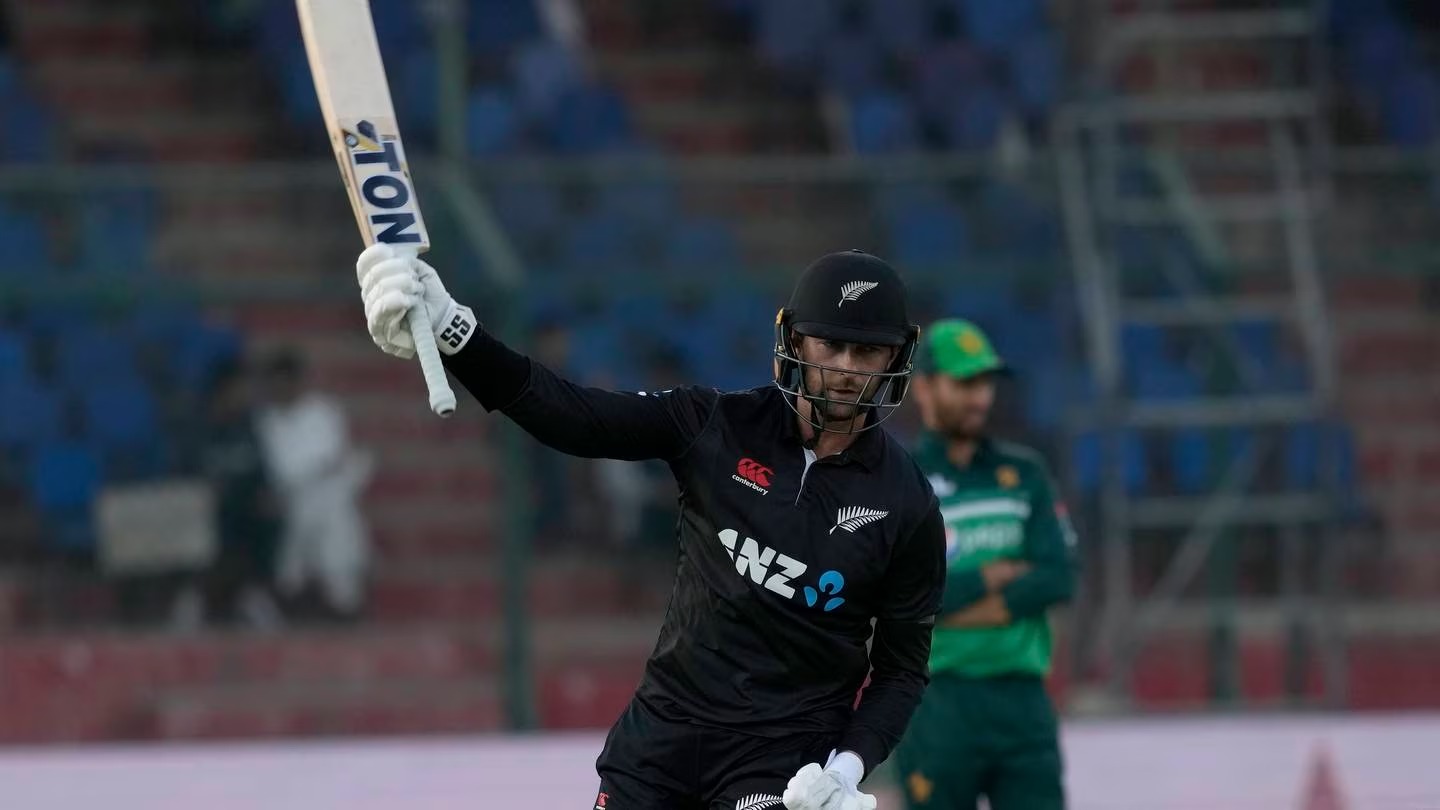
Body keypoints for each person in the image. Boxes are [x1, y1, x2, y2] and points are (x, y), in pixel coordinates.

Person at [356, 245, 946, 810]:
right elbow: (575, 418)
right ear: (793, 340)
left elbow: (901, 671)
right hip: (662, 736)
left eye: (866, 352)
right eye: (831, 345)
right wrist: (457, 334)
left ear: (895, 357)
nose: (845, 369)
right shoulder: (716, 424)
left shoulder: (908, 503)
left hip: (784, 761)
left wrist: (846, 768)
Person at [895, 319, 1077, 810]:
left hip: (1022, 702)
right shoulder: (899, 482)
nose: (980, 398)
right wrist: (992, 576)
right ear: (925, 388)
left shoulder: (1024, 473)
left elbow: (1059, 576)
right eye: (965, 383)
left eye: (986, 383)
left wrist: (956, 604)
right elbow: (897, 598)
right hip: (936, 703)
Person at [255, 349, 373, 622]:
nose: (280, 388)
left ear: (298, 381)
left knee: (337, 522)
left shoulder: (323, 412)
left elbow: (327, 461)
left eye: (286, 381)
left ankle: (345, 604)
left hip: (324, 498)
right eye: (275, 382)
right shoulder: (265, 422)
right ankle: (291, 600)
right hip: (285, 504)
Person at [172, 357, 284, 630]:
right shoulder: (197, 429)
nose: (246, 397)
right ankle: (194, 597)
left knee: (269, 518)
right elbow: (183, 475)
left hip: (243, 507)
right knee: (210, 524)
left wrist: (266, 494)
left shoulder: (248, 428)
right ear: (223, 392)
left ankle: (252, 594)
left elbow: (261, 474)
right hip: (205, 509)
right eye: (240, 390)